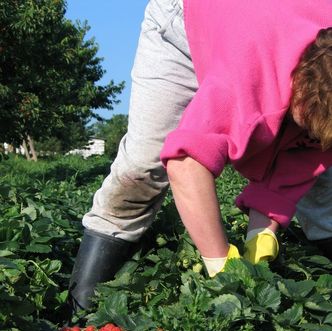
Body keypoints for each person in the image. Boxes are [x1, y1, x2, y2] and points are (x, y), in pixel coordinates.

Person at [68, 0, 332, 314]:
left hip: (258, 26)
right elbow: (186, 163)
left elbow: (299, 158)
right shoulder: (246, 75)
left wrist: (261, 236)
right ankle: (82, 309)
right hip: (184, 19)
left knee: (323, 187)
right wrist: (221, 264)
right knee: (142, 167)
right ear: (300, 94)